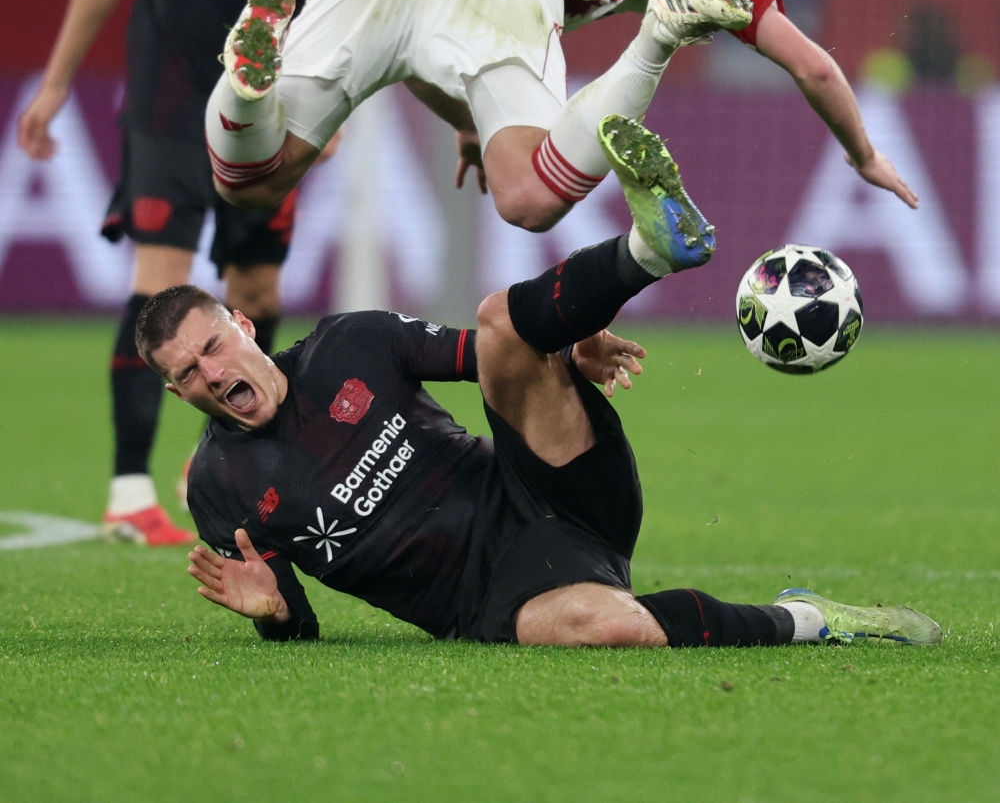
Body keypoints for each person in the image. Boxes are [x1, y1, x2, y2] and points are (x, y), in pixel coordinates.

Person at [135, 152, 941, 649]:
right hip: (490, 598)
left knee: (496, 323)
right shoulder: (219, 487)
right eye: (188, 376)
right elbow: (298, 623)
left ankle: (646, 251)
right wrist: (271, 613)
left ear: (241, 325)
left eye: (211, 347)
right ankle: (811, 620)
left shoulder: (349, 343)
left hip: (551, 484)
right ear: (177, 392)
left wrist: (568, 336)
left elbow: (493, 352)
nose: (209, 375)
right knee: (612, 627)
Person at [203, 0, 918, 265]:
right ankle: (654, 43)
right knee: (530, 197)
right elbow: (813, 64)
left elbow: (420, 41)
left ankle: (243, 78)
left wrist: (467, 121)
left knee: (252, 178)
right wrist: (861, 153)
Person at [16, 0, 365, 545]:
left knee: (256, 289)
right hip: (169, 98)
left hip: (266, 110)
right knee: (161, 286)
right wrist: (58, 78)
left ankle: (215, 450)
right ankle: (131, 490)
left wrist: (334, 99)